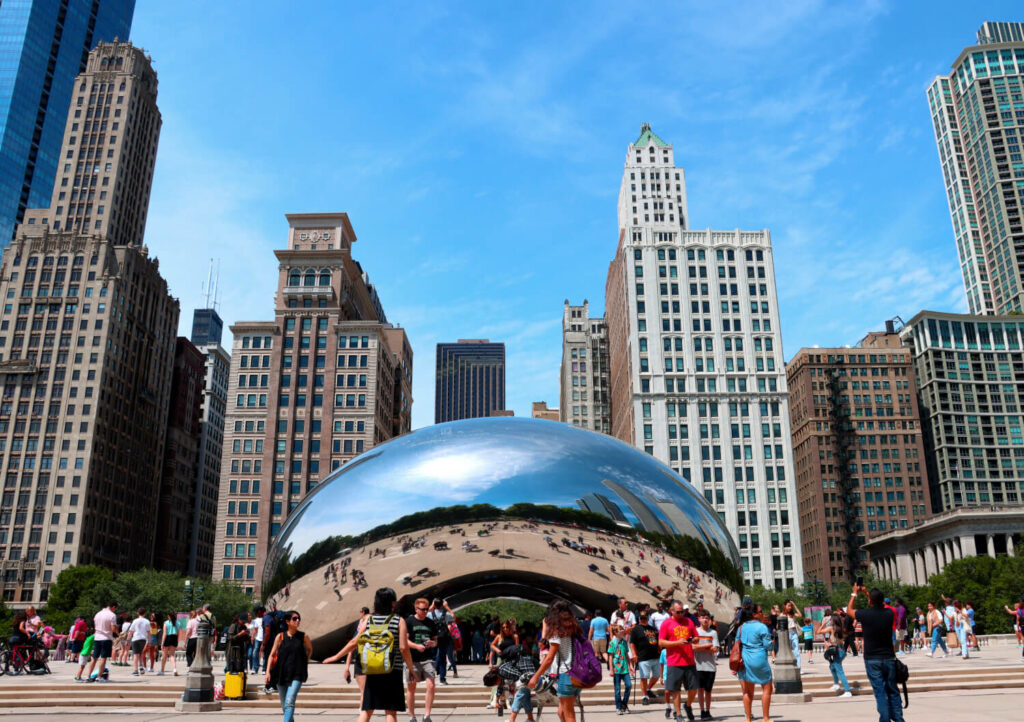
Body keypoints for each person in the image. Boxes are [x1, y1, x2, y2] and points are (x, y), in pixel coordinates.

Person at [331, 587, 414, 722]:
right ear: (392, 603)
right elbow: (404, 648)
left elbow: (354, 641)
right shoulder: (398, 621)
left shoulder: (369, 620)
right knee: (391, 712)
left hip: (372, 669)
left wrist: (336, 656)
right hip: (393, 671)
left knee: (367, 711)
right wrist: (411, 668)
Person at [848, 585, 905, 722]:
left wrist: (855, 593)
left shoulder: (865, 615)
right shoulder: (889, 613)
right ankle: (898, 719)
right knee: (893, 691)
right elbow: (878, 604)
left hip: (872, 659)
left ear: (870, 601)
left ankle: (884, 719)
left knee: (880, 692)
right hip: (889, 658)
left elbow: (849, 610)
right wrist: (868, 593)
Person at [528, 599, 582, 722]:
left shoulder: (557, 631)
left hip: (567, 675)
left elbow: (549, 658)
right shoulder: (574, 628)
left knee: (569, 716)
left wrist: (535, 677)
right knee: (561, 713)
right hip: (578, 675)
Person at [265, 611, 312, 722]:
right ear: (287, 621)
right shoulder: (280, 637)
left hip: (297, 674)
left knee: (289, 701)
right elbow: (271, 655)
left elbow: (310, 650)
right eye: (294, 619)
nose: (298, 621)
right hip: (281, 673)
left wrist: (305, 662)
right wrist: (267, 672)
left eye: (299, 618)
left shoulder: (303, 636)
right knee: (284, 706)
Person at [659, 600, 699, 722]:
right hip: (674, 661)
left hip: (689, 661)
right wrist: (677, 642)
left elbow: (696, 636)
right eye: (678, 612)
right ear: (671, 611)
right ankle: (679, 713)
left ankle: (687, 705)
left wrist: (693, 640)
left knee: (693, 689)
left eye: (683, 611)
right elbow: (661, 642)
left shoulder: (689, 621)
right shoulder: (666, 623)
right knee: (675, 689)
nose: (681, 614)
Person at [736, 604, 773, 722]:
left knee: (747, 691)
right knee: (767, 688)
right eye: (760, 611)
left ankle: (748, 718)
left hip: (745, 660)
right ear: (754, 614)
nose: (762, 613)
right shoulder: (762, 627)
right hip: (759, 659)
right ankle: (766, 718)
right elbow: (768, 645)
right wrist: (772, 642)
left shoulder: (741, 627)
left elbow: (737, 644)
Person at [406, 597, 439, 722]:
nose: (425, 611)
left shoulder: (430, 623)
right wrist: (416, 646)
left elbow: (436, 641)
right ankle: (412, 716)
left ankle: (427, 715)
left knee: (431, 685)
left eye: (426, 609)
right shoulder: (409, 621)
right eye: (422, 609)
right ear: (416, 609)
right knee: (411, 687)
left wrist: (432, 644)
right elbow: (405, 641)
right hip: (412, 659)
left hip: (427, 658)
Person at [323, 607, 369, 694]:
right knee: (366, 693)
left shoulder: (362, 628)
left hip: (363, 663)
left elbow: (351, 646)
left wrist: (336, 657)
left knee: (364, 693)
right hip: (374, 664)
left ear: (363, 613)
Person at [629, 610, 661, 705]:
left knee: (656, 676)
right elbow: (632, 643)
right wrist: (634, 654)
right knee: (644, 677)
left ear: (648, 619)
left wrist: (660, 650)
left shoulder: (653, 629)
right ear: (639, 619)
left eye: (645, 618)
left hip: (655, 656)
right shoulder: (636, 629)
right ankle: (645, 696)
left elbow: (657, 641)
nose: (643, 620)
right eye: (641, 618)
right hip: (643, 657)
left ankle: (648, 689)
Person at [819, 613, 852, 698]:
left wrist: (823, 624)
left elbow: (818, 632)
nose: (829, 620)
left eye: (830, 619)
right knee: (832, 667)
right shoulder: (840, 628)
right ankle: (836, 684)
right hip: (841, 650)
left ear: (833, 620)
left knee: (839, 671)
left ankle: (848, 691)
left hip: (837, 651)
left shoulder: (831, 628)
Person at [693, 610, 718, 720]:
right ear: (699, 619)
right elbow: (693, 647)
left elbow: (714, 649)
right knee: (700, 690)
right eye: (703, 617)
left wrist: (701, 647)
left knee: (708, 691)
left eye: (707, 618)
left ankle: (708, 710)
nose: (705, 619)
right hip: (698, 665)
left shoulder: (713, 633)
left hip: (710, 666)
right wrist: (707, 645)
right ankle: (702, 710)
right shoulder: (695, 632)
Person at [84, 601, 118, 683]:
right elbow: (113, 629)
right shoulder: (112, 615)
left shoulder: (98, 614)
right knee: (103, 658)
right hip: (106, 638)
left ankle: (89, 676)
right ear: (113, 607)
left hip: (97, 637)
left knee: (94, 658)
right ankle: (99, 677)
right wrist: (117, 631)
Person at [427, 599, 454, 686]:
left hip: (433, 637)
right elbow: (453, 616)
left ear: (434, 605)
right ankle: (442, 678)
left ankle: (431, 673)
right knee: (442, 657)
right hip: (444, 638)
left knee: (432, 657)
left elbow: (424, 615)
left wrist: (432, 606)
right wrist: (447, 607)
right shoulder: (446, 614)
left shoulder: (430, 614)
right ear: (442, 605)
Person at [608, 624, 632, 714]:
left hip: (625, 668)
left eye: (622, 629)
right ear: (615, 632)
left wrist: (631, 666)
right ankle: (618, 707)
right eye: (620, 629)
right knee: (617, 689)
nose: (622, 631)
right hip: (616, 669)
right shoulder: (612, 643)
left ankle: (624, 704)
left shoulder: (624, 642)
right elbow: (610, 657)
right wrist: (611, 669)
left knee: (629, 685)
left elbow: (626, 654)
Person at [128, 608, 151, 676]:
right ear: (144, 613)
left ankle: (135, 670)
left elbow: (131, 631)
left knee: (135, 654)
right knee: (141, 653)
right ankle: (141, 666)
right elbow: (149, 632)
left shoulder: (135, 621)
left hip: (135, 638)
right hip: (143, 639)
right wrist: (149, 641)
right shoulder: (147, 621)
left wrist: (127, 639)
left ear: (138, 613)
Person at [782, 601, 802, 670]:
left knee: (797, 651)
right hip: (787, 633)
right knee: (787, 651)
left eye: (791, 606)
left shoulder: (792, 614)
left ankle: (798, 668)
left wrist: (795, 605)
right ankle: (788, 667)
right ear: (785, 606)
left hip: (794, 632)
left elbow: (800, 615)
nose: (790, 607)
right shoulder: (782, 615)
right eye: (788, 606)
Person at [159, 611, 179, 676]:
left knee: (164, 656)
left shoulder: (166, 623)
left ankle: (162, 671)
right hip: (174, 638)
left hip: (167, 638)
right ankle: (174, 669)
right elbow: (178, 633)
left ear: (168, 616)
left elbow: (164, 633)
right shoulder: (178, 623)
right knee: (172, 655)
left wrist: (162, 643)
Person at [250, 607, 265, 674]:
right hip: (257, 639)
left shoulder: (265, 618)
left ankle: (264, 669)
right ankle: (255, 668)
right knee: (255, 653)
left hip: (265, 638)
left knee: (264, 654)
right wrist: (252, 637)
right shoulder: (256, 620)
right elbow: (255, 629)